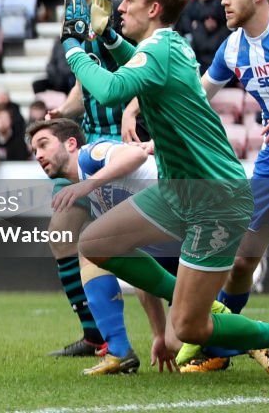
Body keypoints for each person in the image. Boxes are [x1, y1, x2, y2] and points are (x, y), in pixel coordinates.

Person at [61, 0, 269, 380]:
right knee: (95, 242)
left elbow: (109, 89)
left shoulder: (160, 49)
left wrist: (74, 47)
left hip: (215, 196)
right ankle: (192, 302)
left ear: (154, 8)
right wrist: (106, 37)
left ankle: (266, 336)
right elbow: (136, 64)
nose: (120, 6)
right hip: (179, 191)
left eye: (129, 0)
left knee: (187, 330)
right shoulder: (168, 45)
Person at [28, 118, 179, 375]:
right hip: (171, 239)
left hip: (195, 226)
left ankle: (260, 338)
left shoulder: (91, 154)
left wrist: (89, 183)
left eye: (43, 145)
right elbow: (142, 272)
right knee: (180, 339)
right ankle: (119, 351)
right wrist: (158, 334)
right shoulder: (97, 199)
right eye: (34, 151)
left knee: (199, 333)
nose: (39, 155)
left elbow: (136, 153)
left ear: (72, 143)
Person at [43, 0, 133, 357]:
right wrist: (63, 108)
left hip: (127, 149)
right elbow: (85, 83)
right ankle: (96, 334)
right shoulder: (73, 15)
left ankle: (187, 329)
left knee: (137, 247)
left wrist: (132, 110)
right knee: (63, 233)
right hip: (91, 149)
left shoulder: (117, 14)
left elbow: (140, 69)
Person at [192, 0, 269, 372]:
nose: (222, 0)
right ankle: (221, 346)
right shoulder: (233, 47)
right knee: (242, 260)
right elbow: (198, 95)